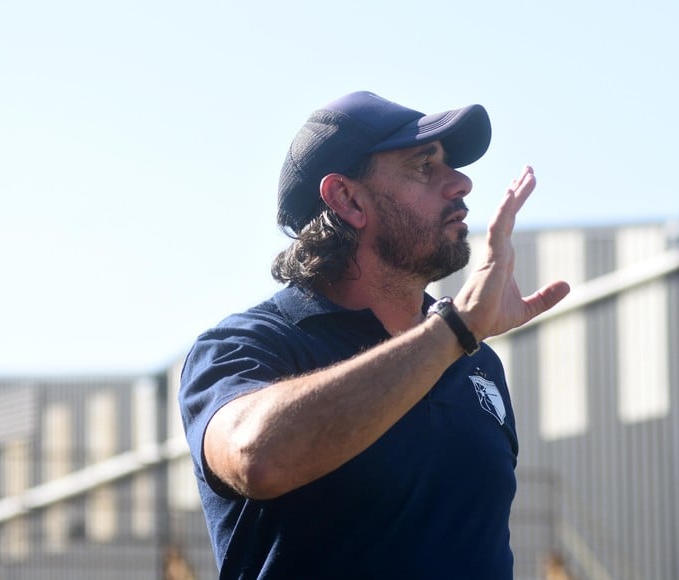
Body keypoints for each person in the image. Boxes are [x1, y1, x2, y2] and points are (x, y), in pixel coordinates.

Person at [178, 91, 570, 579]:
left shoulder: (476, 360)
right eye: (424, 167)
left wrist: (456, 336)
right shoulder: (247, 346)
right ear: (347, 199)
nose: (461, 183)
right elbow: (256, 457)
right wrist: (455, 330)